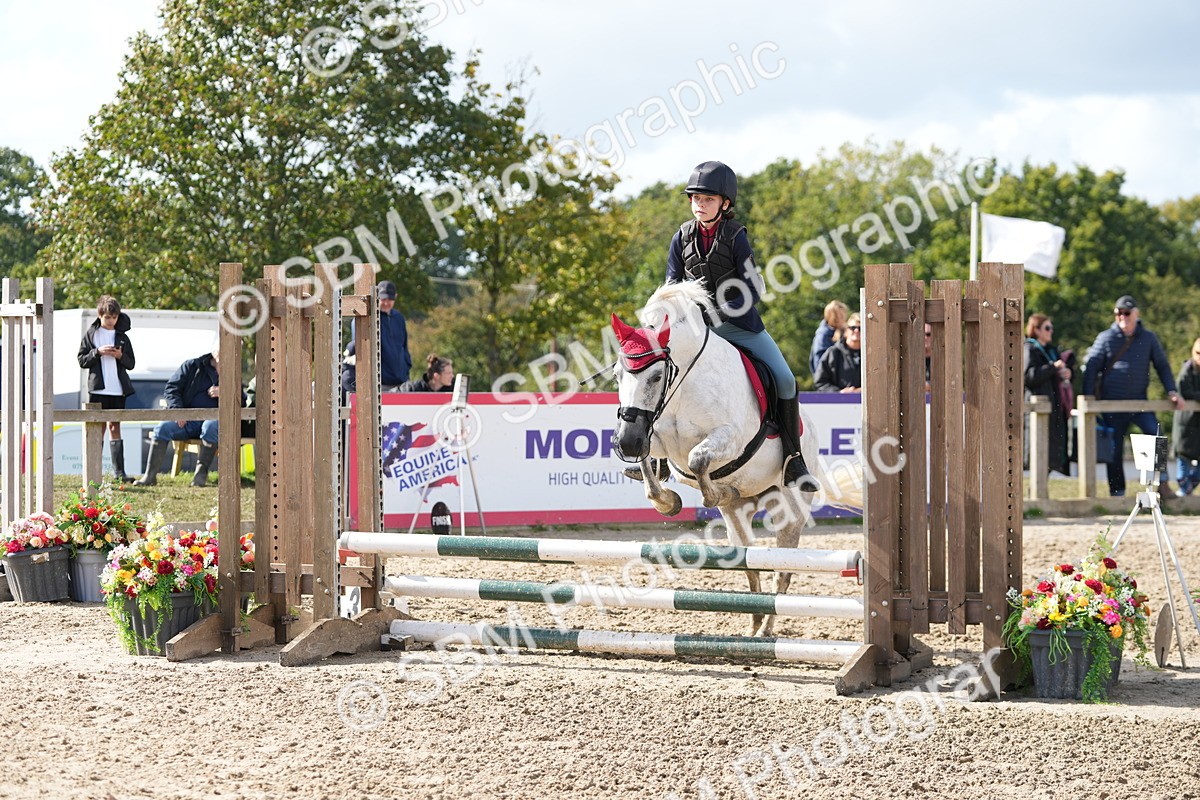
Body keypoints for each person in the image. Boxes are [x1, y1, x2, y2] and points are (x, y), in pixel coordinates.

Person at [651, 160, 817, 490]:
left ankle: (792, 460)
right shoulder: (681, 237)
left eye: (708, 199)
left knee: (785, 379)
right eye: (696, 199)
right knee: (658, 371)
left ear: (725, 203)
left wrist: (719, 313)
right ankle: (656, 460)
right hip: (697, 332)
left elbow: (753, 288)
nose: (700, 205)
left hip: (740, 327)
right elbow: (672, 283)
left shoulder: (735, 236)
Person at [1081, 295, 1183, 496]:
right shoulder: (1105, 338)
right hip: (1112, 405)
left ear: (1137, 314)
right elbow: (1092, 367)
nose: (1122, 317)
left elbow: (1162, 365)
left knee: (1156, 436)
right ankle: (1117, 492)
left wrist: (1172, 390)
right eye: (1119, 313)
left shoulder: (1148, 338)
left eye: (1127, 313)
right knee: (1114, 449)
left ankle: (1161, 483)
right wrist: (1088, 397)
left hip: (1139, 403)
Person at [136, 348, 222, 487]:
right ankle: (149, 476)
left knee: (210, 426)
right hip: (187, 420)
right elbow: (171, 389)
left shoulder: (234, 370)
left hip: (215, 422)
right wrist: (178, 411)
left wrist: (225, 392)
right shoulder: (193, 365)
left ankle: (200, 476)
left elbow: (242, 400)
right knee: (162, 428)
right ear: (215, 352)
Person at [76, 295, 136, 483]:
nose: (111, 321)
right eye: (107, 317)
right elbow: (81, 360)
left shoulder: (123, 337)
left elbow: (131, 363)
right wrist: (98, 352)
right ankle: (94, 471)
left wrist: (119, 355)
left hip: (118, 389)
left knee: (115, 426)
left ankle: (119, 473)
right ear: (100, 315)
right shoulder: (92, 334)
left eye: (114, 317)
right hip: (98, 389)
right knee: (97, 429)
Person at [342, 280, 413, 394]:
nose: (386, 303)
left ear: (395, 297)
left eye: (390, 299)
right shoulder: (366, 320)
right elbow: (359, 349)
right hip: (378, 383)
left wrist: (406, 366)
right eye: (383, 299)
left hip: (401, 381)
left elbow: (404, 346)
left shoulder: (399, 318)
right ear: (377, 297)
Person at [1024, 313, 1072, 476]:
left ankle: (1041, 489)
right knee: (1037, 450)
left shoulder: (1051, 350)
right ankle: (1034, 491)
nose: (1051, 331)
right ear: (1036, 330)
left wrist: (1065, 373)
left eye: (1051, 328)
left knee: (1053, 453)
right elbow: (1029, 376)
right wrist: (1053, 367)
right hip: (1037, 409)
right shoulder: (1029, 348)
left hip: (1055, 409)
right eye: (1047, 328)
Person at [1173, 337, 1200, 496]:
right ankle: (1184, 494)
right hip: (1187, 422)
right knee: (1183, 462)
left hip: (1197, 424)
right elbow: (1185, 392)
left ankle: (1186, 493)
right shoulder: (1188, 369)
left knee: (1196, 474)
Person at [814, 313, 862, 392]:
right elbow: (820, 382)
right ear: (846, 331)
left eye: (860, 328)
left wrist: (863, 391)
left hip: (868, 402)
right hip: (838, 403)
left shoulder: (872, 355)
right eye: (853, 328)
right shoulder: (833, 353)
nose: (856, 331)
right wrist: (839, 392)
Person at [809, 300, 848, 377]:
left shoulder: (843, 331)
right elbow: (818, 363)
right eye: (841, 316)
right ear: (834, 317)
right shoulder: (823, 335)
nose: (843, 319)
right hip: (828, 380)